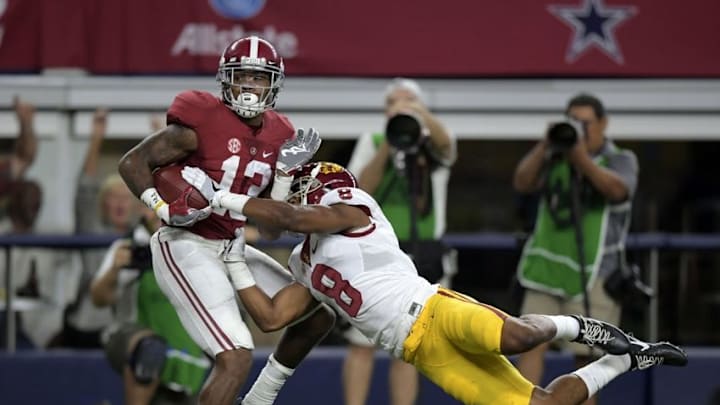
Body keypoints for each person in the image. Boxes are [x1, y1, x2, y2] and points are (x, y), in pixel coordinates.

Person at [180, 161, 687, 405]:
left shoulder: (357, 209)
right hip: (417, 351)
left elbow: (294, 216)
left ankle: (583, 326)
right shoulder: (302, 262)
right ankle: (621, 359)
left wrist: (220, 198)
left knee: (520, 336)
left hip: (431, 309)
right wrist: (234, 259)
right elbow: (270, 317)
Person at [118, 36, 335, 405]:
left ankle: (260, 398)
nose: (250, 85)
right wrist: (161, 206)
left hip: (232, 245)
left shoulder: (280, 133)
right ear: (226, 79)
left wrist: (283, 175)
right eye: (243, 76)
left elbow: (270, 230)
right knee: (234, 357)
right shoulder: (199, 116)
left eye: (259, 77)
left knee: (318, 316)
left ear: (274, 85)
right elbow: (132, 163)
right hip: (185, 243)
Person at [512, 93, 639, 404]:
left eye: (587, 123)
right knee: (529, 345)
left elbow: (618, 191)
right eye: (574, 122)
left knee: (586, 360)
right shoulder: (553, 156)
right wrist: (546, 144)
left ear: (603, 124)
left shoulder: (621, 158)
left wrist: (580, 157)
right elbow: (522, 182)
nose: (580, 129)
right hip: (545, 270)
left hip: (595, 274)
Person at [345, 77, 456, 405]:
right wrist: (388, 143)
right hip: (378, 252)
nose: (403, 106)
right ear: (385, 110)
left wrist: (418, 115)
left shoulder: (433, 142)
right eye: (396, 102)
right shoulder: (374, 138)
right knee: (360, 343)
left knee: (408, 347)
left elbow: (447, 148)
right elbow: (358, 189)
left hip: (424, 254)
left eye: (410, 100)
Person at [90, 207, 211, 405]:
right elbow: (99, 299)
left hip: (184, 348)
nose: (159, 214)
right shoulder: (128, 247)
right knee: (150, 349)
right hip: (128, 336)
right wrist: (114, 269)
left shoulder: (194, 246)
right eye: (153, 207)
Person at [50, 107, 139, 349]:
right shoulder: (94, 227)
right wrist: (96, 136)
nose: (120, 203)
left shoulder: (139, 232)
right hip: (87, 324)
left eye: (125, 198)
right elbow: (86, 189)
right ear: (103, 203)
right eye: (113, 197)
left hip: (125, 324)